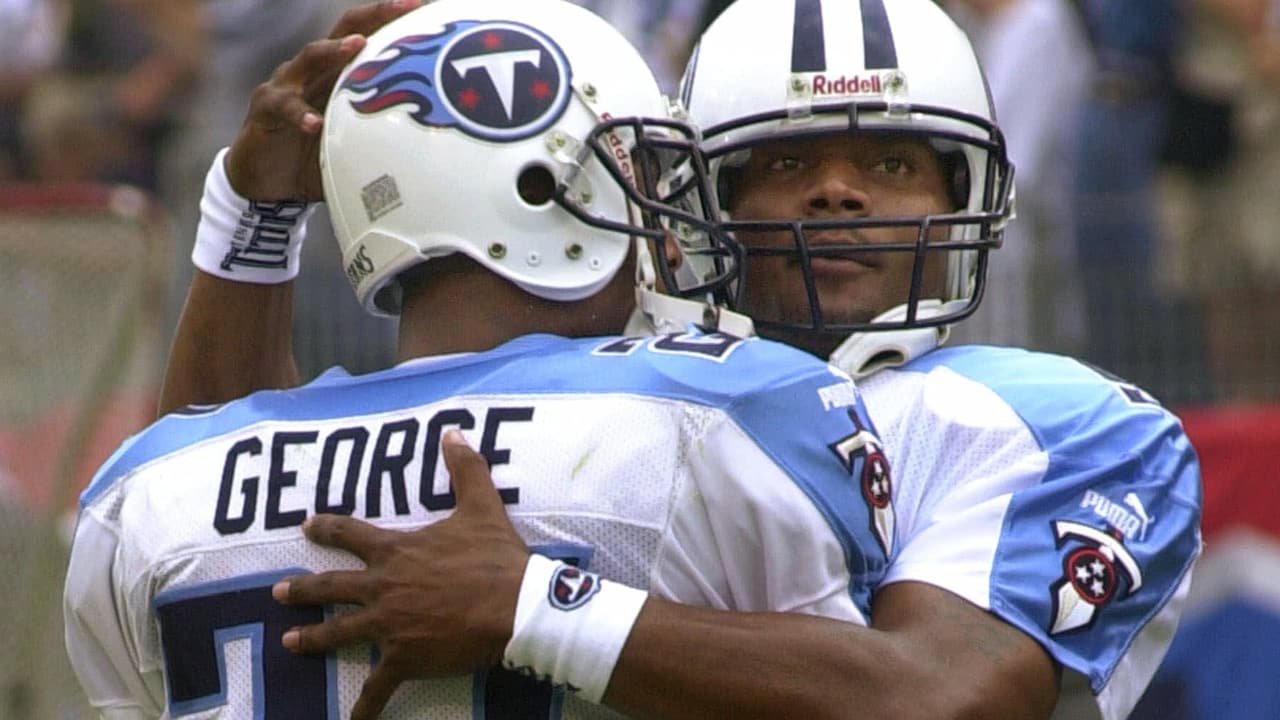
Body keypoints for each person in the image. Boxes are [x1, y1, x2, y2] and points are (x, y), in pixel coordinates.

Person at [154, 0, 1202, 718]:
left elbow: (932, 695)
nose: (836, 194)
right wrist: (250, 216)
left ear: (963, 196)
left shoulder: (1053, 420)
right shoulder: (611, 384)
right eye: (783, 161)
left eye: (889, 160)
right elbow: (227, 499)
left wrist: (532, 608)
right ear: (687, 200)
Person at [63, 1, 909, 718]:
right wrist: (550, 612)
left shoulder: (148, 483)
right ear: (549, 193)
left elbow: (223, 458)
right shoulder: (729, 412)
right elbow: (889, 697)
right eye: (639, 171)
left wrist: (247, 212)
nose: (662, 216)